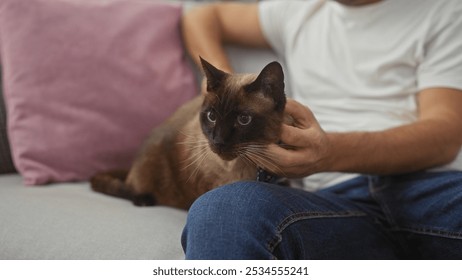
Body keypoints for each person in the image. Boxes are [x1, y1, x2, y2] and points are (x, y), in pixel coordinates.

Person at [180, 0, 462, 259]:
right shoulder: (300, 7)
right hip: (328, 202)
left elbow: (445, 135)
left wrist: (329, 154)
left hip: (429, 189)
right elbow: (202, 16)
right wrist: (229, 91)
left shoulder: (445, 10)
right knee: (223, 211)